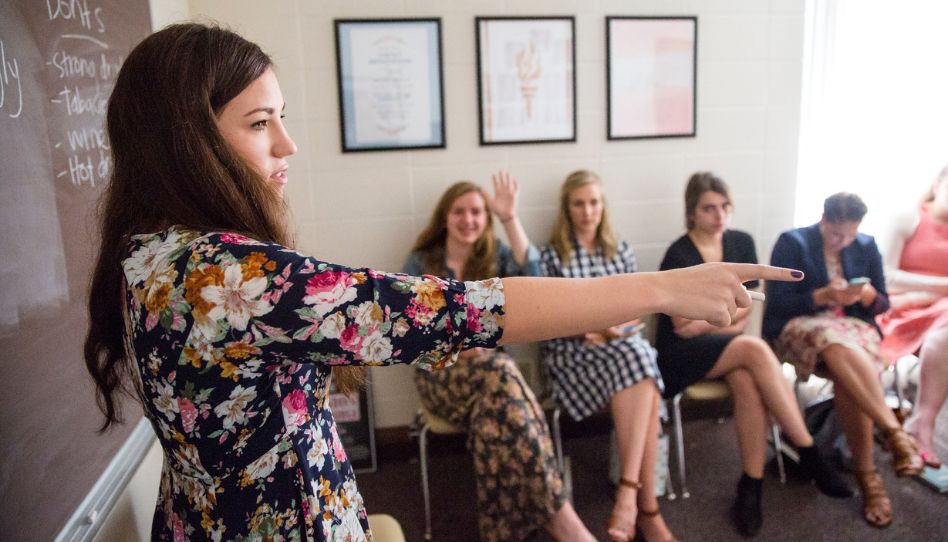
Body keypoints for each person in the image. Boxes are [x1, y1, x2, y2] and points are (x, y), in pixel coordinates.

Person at [84, 23, 803, 542]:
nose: (288, 145)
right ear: (191, 140)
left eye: (284, 119)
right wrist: (663, 288)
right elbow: (459, 311)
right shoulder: (223, 272)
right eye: (261, 122)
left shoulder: (144, 255)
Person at [655, 172, 854, 537]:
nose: (719, 215)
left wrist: (715, 320)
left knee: (747, 377)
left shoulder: (741, 243)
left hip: (725, 348)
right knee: (752, 347)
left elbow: (747, 308)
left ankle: (751, 485)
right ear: (692, 212)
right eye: (709, 208)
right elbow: (681, 327)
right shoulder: (679, 253)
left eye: (724, 206)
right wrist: (725, 320)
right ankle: (809, 452)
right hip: (679, 356)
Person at [403, 175, 595, 541]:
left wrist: (509, 218)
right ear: (445, 218)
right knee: (503, 371)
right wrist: (458, 345)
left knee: (493, 421)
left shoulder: (494, 258)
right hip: (442, 377)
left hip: (491, 381)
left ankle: (503, 533)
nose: (469, 220)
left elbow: (538, 283)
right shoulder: (420, 263)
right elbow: (409, 333)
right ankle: (565, 522)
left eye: (477, 212)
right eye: (459, 212)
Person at [763, 192, 924, 529]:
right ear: (823, 221)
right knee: (836, 345)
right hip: (802, 327)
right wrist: (822, 295)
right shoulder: (793, 243)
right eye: (837, 234)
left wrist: (865, 296)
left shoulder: (866, 246)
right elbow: (776, 306)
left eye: (850, 234)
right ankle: (892, 436)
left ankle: (870, 472)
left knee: (845, 364)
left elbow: (881, 307)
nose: (844, 241)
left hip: (852, 332)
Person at [539, 170, 676, 542]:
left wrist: (614, 326)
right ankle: (643, 507)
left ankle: (633, 499)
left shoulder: (620, 249)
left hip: (617, 349)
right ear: (567, 209)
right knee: (643, 366)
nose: (588, 211)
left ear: (604, 206)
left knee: (638, 358)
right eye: (579, 203)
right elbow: (548, 319)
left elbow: (636, 307)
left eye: (594, 202)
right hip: (572, 355)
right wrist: (596, 328)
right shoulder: (552, 257)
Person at [876, 166, 948, 468]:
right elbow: (885, 277)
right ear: (938, 183)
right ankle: (922, 422)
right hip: (903, 308)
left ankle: (922, 420)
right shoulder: (909, 218)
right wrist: (941, 287)